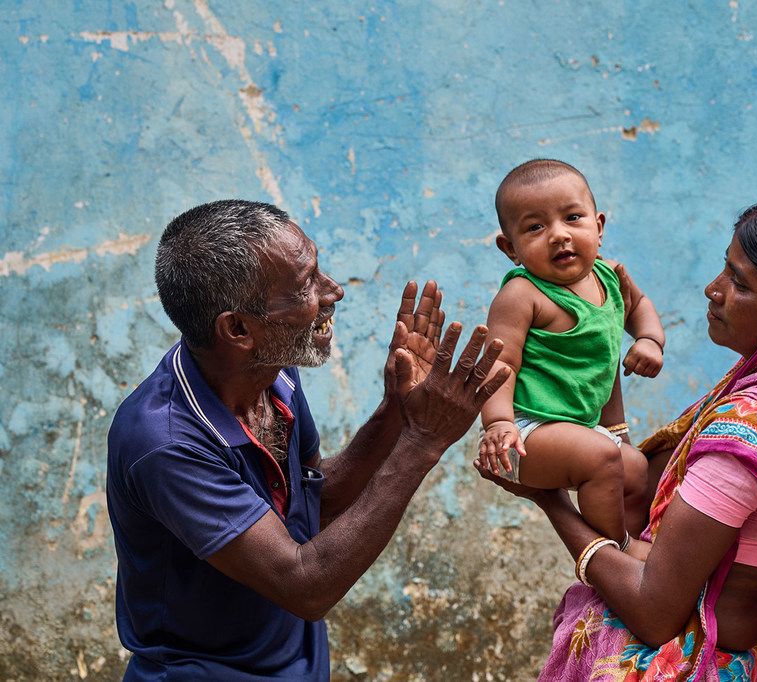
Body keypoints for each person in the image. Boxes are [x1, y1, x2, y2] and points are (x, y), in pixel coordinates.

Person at [477, 196, 757, 681]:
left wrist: (550, 502)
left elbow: (653, 611)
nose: (713, 289)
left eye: (740, 283)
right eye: (723, 269)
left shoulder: (752, 431)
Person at [106, 199, 508, 680]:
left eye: (318, 270)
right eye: (305, 287)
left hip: (298, 665)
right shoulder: (168, 444)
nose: (333, 291)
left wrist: (398, 411)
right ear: (238, 329)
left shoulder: (272, 375)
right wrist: (422, 444)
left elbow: (315, 500)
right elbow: (305, 585)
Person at [478, 159, 666, 546]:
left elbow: (639, 305)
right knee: (601, 457)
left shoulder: (609, 276)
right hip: (525, 433)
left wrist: (648, 340)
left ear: (598, 227)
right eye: (535, 227)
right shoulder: (522, 295)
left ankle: (630, 537)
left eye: (572, 218)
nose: (558, 235)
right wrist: (498, 423)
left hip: (582, 431)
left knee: (634, 469)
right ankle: (618, 551)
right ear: (510, 248)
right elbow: (500, 364)